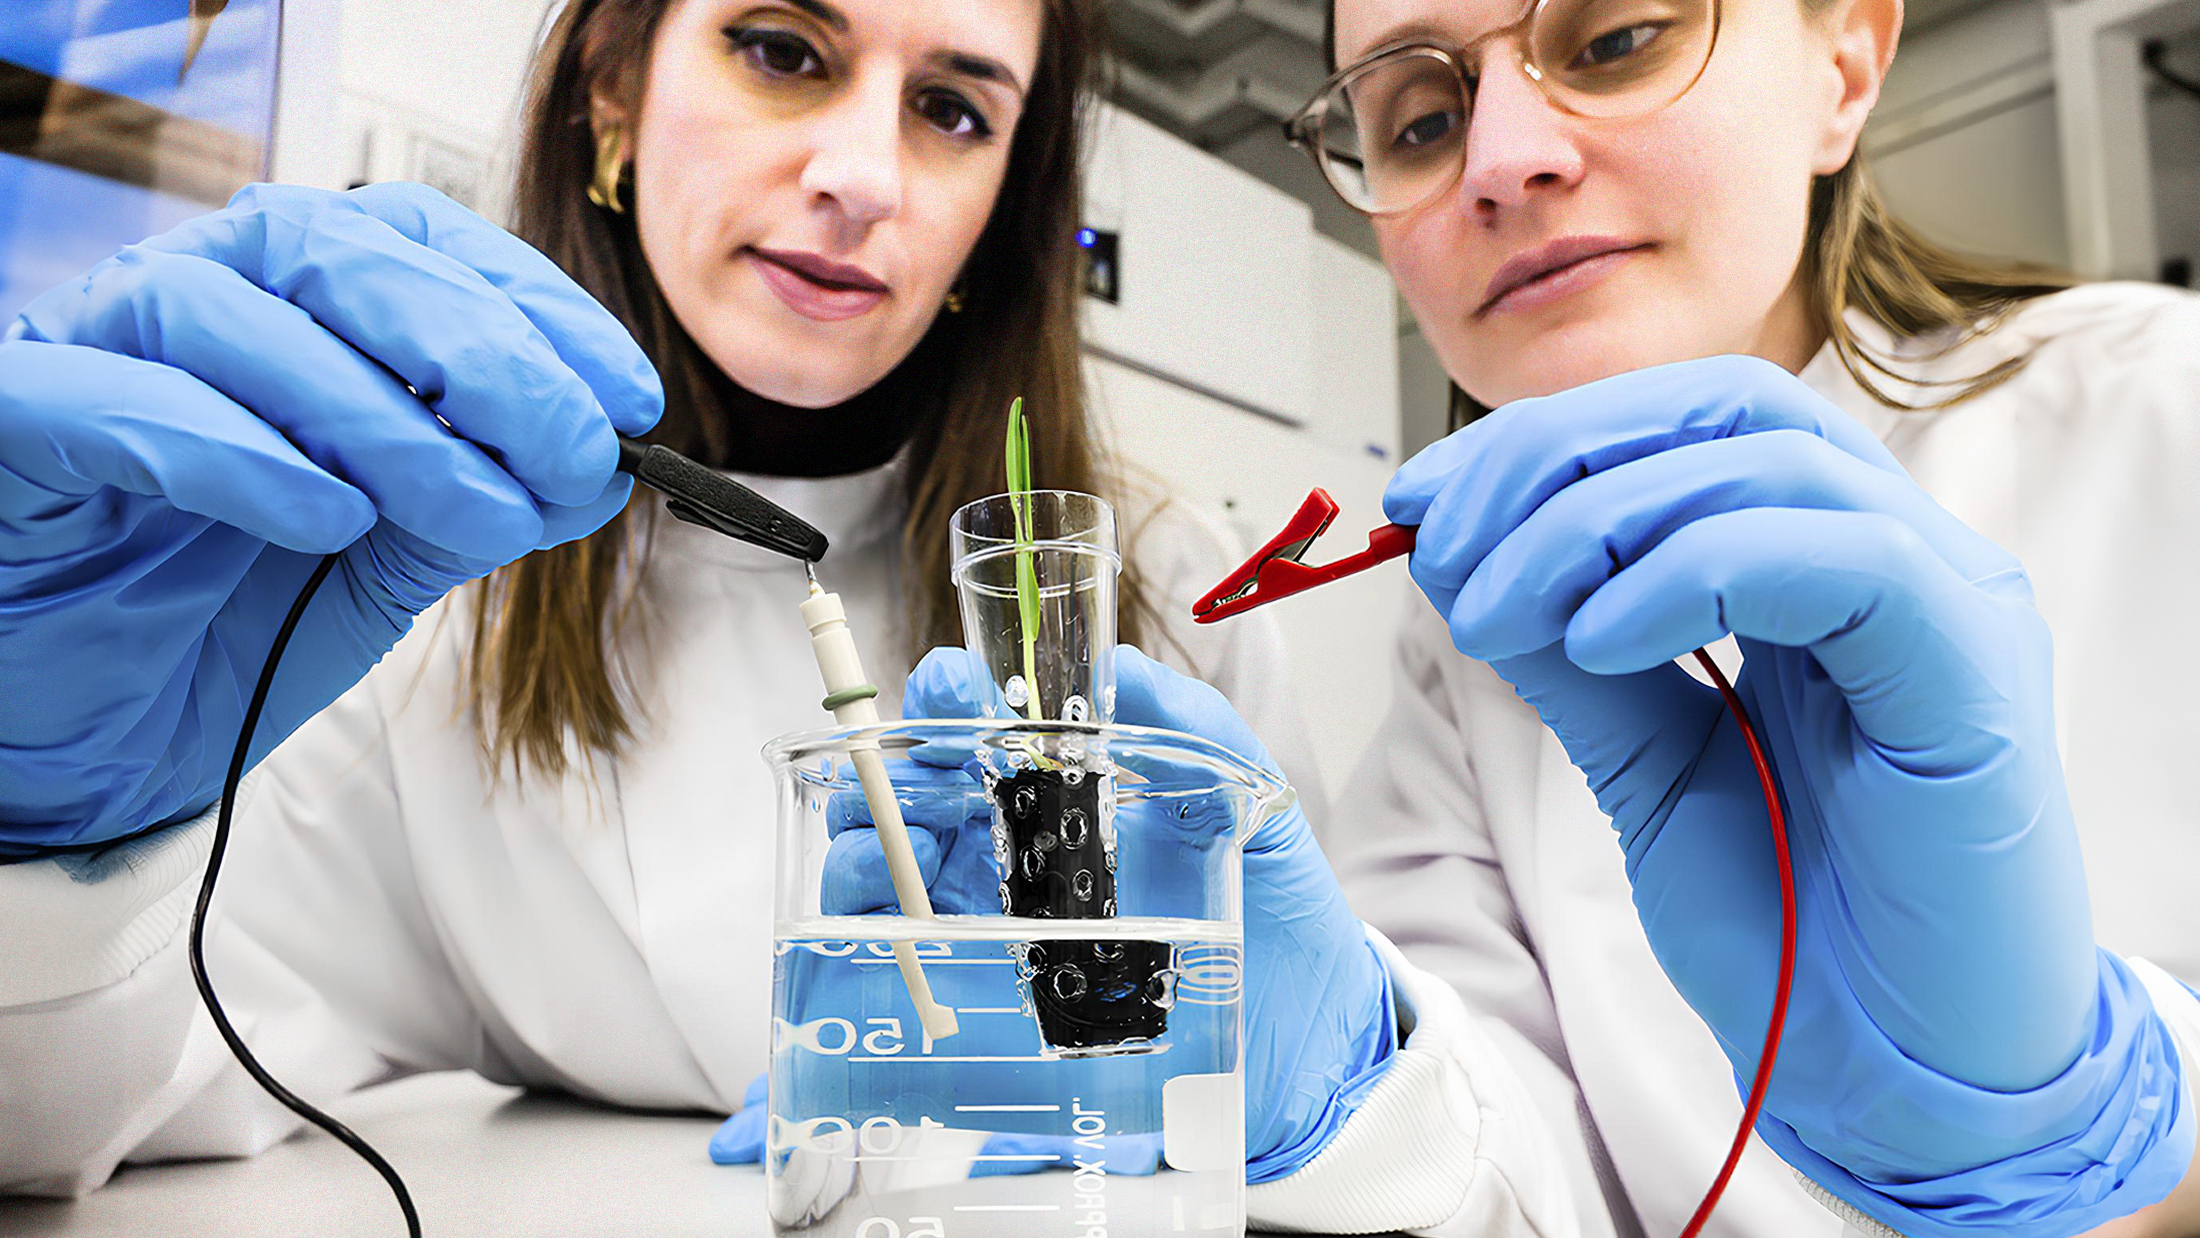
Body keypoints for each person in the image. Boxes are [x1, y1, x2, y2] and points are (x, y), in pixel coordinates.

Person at [0, 1, 1511, 1228]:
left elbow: (1343, 1116)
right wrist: (43, 817)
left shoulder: (1165, 592)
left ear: (1005, 206)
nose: (864, 176)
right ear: (611, 90)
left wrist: (1273, 1103)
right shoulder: (422, 595)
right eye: (784, 49)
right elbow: (79, 1105)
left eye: (955, 108)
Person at [1253, 0, 2200, 1230]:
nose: (1498, 160)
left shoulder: (2162, 406)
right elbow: (1515, 1176)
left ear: (1843, 61)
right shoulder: (1464, 643)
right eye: (1422, 120)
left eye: (1612, 40)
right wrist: (1347, 1090)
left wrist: (2080, 1125)